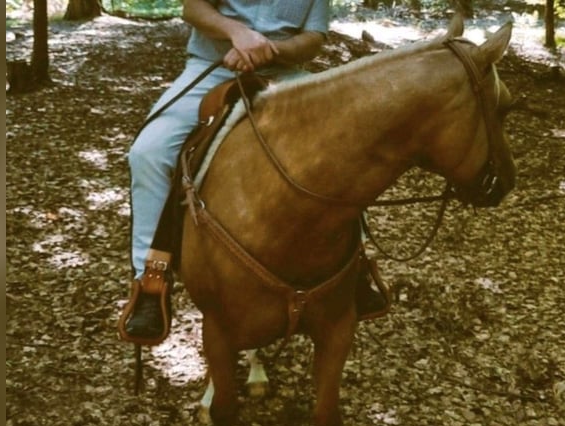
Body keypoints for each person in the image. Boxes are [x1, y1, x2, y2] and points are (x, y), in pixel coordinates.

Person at [119, 0, 389, 345]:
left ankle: (358, 267)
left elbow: (315, 36)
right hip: (212, 66)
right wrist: (238, 35)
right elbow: (193, 8)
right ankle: (150, 283)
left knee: (346, 145)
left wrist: (270, 50)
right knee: (149, 152)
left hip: (286, 74)